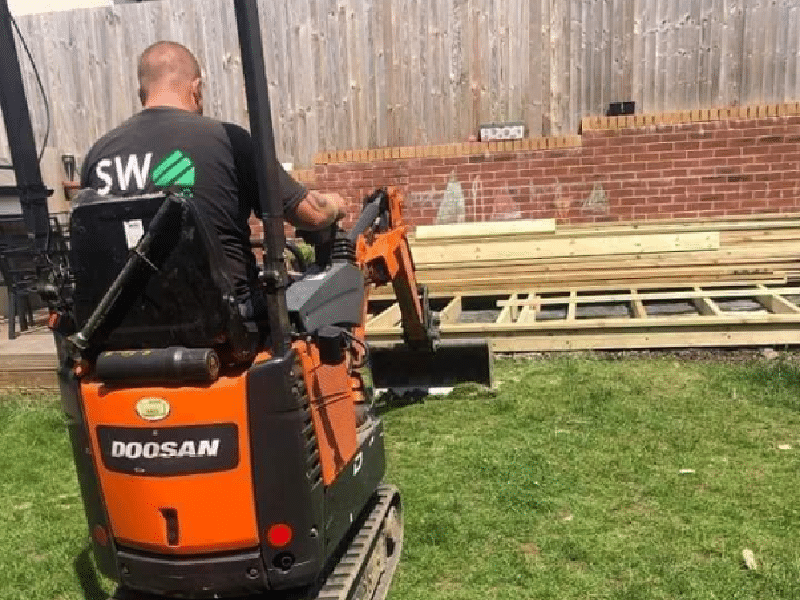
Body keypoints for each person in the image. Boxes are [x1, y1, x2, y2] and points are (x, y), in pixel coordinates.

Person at [80, 40, 344, 318]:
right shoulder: (228, 140)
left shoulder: (99, 154)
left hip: (126, 324)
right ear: (196, 89)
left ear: (141, 93)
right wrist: (336, 206)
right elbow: (311, 215)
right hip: (225, 321)